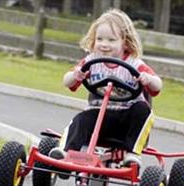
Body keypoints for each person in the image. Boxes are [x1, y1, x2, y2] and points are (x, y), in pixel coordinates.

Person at [49, 8, 162, 172]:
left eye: (111, 40)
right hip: (98, 118)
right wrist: (77, 75)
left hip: (127, 121)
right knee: (81, 118)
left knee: (143, 110)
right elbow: (67, 81)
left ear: (125, 42)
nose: (104, 44)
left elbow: (158, 85)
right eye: (99, 39)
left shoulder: (135, 64)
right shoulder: (91, 61)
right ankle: (65, 153)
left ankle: (132, 155)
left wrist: (148, 79)